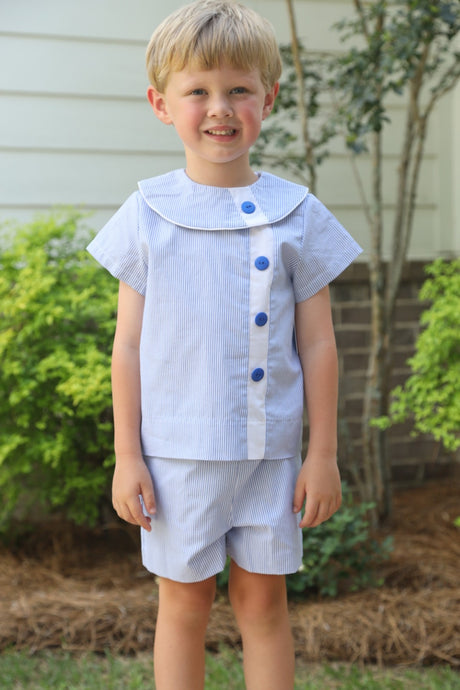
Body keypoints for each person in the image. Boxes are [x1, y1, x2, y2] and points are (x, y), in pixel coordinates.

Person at [87, 1, 362, 687]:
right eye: (199, 91)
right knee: (184, 601)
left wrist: (322, 455)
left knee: (264, 600)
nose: (221, 108)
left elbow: (321, 345)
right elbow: (126, 348)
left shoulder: (298, 212)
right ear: (161, 103)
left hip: (270, 455)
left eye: (239, 89)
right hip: (177, 456)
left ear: (268, 97)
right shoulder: (147, 213)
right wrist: (127, 456)